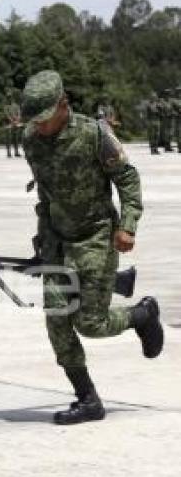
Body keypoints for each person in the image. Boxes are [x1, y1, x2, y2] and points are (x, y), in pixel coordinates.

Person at [21, 70, 163, 425]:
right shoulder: (31, 139)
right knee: (57, 321)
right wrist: (42, 237)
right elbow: (44, 191)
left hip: (96, 235)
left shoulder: (94, 133)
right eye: (33, 121)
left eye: (44, 119)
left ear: (63, 106)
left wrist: (128, 225)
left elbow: (127, 178)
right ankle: (88, 399)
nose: (39, 127)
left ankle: (142, 315)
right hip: (57, 239)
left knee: (91, 323)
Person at [4, 93, 22, 158]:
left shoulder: (16, 106)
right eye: (8, 97)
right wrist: (12, 120)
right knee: (8, 138)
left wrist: (18, 120)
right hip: (9, 123)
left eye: (10, 97)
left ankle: (16, 152)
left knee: (16, 138)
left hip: (16, 123)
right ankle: (8, 152)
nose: (9, 98)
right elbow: (7, 115)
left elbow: (19, 113)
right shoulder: (6, 106)